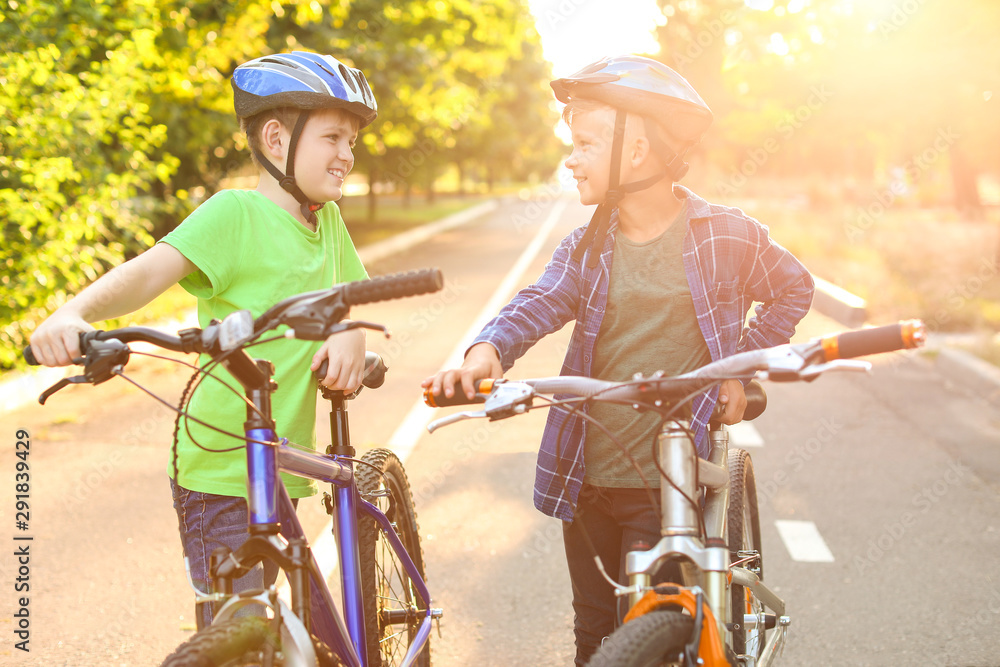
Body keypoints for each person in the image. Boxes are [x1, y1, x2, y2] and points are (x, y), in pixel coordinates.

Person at [422, 55, 815, 665]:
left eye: (583, 143)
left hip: (669, 481)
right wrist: (485, 351)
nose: (570, 158)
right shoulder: (588, 244)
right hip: (586, 474)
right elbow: (539, 301)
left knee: (654, 628)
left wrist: (740, 364)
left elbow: (794, 287)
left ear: (635, 153)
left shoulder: (724, 235)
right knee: (593, 637)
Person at [28, 51, 377, 626]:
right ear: (275, 138)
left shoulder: (328, 223)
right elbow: (147, 272)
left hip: (280, 462)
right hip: (220, 469)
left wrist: (350, 330)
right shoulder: (234, 214)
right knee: (242, 629)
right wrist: (74, 313)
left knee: (310, 626)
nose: (348, 153)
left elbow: (353, 295)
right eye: (334, 137)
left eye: (352, 141)